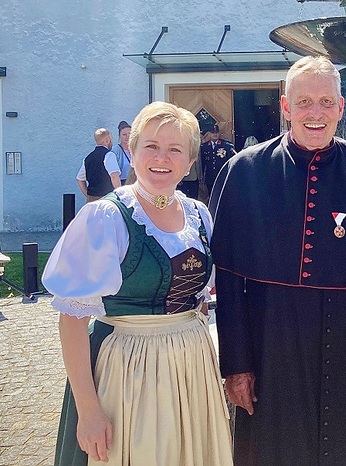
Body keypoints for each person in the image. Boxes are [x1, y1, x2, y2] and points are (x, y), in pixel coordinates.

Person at [209, 55, 346, 465]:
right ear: (285, 106)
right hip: (273, 343)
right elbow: (230, 282)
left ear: (340, 108)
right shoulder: (245, 172)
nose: (315, 113)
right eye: (303, 102)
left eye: (325, 102)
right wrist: (237, 364)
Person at [43, 102, 233, 466]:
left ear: (190, 161)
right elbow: (72, 319)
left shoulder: (199, 214)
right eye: (151, 146)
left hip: (191, 366)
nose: (162, 157)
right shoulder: (106, 217)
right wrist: (88, 409)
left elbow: (201, 297)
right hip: (129, 368)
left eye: (175, 149)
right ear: (131, 152)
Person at [76, 128, 121, 202]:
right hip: (107, 199)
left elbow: (80, 179)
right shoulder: (109, 155)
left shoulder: (88, 158)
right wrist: (120, 196)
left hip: (91, 200)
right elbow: (114, 176)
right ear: (107, 140)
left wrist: (88, 195)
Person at [201, 124, 236, 198]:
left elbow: (231, 161)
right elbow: (202, 163)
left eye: (216, 132)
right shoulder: (204, 147)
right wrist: (202, 176)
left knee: (223, 196)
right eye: (213, 133)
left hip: (222, 175)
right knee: (211, 196)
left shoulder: (226, 146)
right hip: (210, 176)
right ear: (209, 134)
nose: (215, 134)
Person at [111, 121, 132, 185]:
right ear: (119, 136)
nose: (127, 137)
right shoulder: (115, 151)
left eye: (129, 134)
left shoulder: (137, 149)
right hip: (122, 183)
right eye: (124, 134)